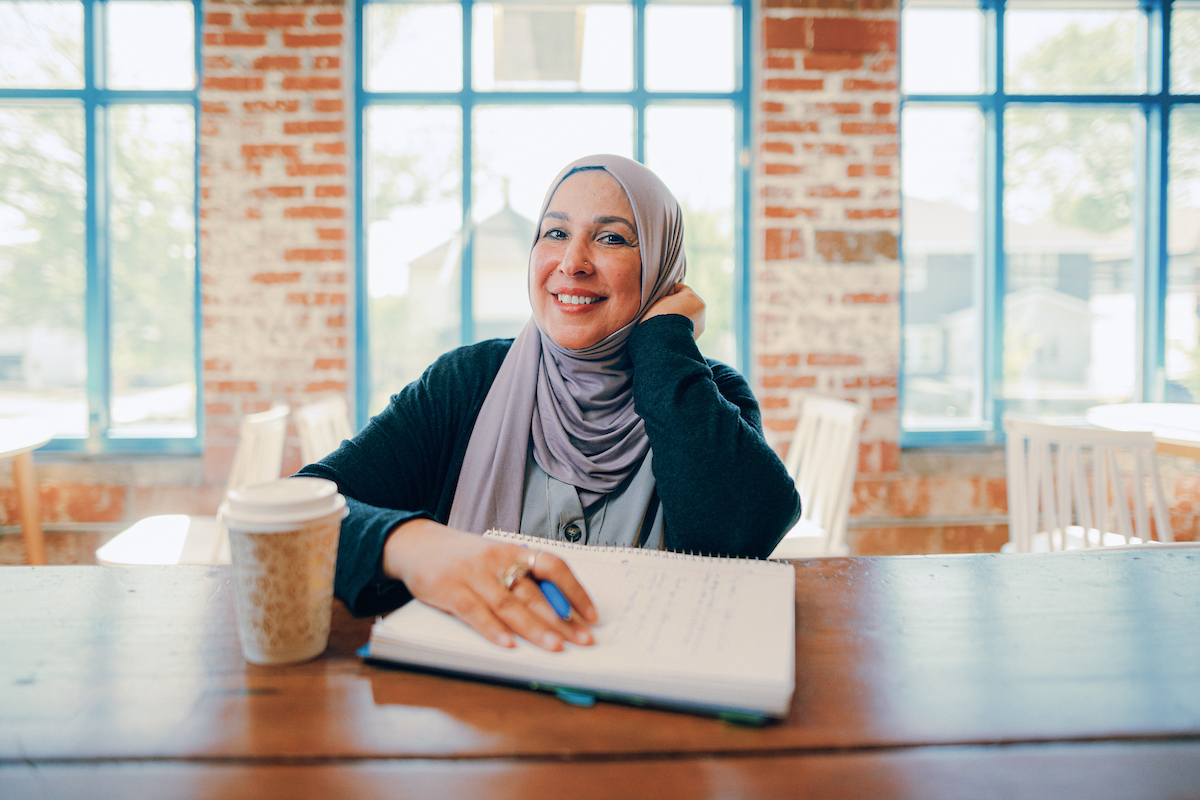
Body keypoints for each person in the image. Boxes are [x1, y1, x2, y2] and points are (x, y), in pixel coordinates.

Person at [298, 154, 801, 654]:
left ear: (662, 268)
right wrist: (417, 547)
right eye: (555, 233)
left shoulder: (703, 394)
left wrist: (664, 343)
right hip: (470, 703)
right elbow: (300, 509)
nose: (572, 263)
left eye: (612, 238)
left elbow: (740, 540)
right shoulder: (466, 384)